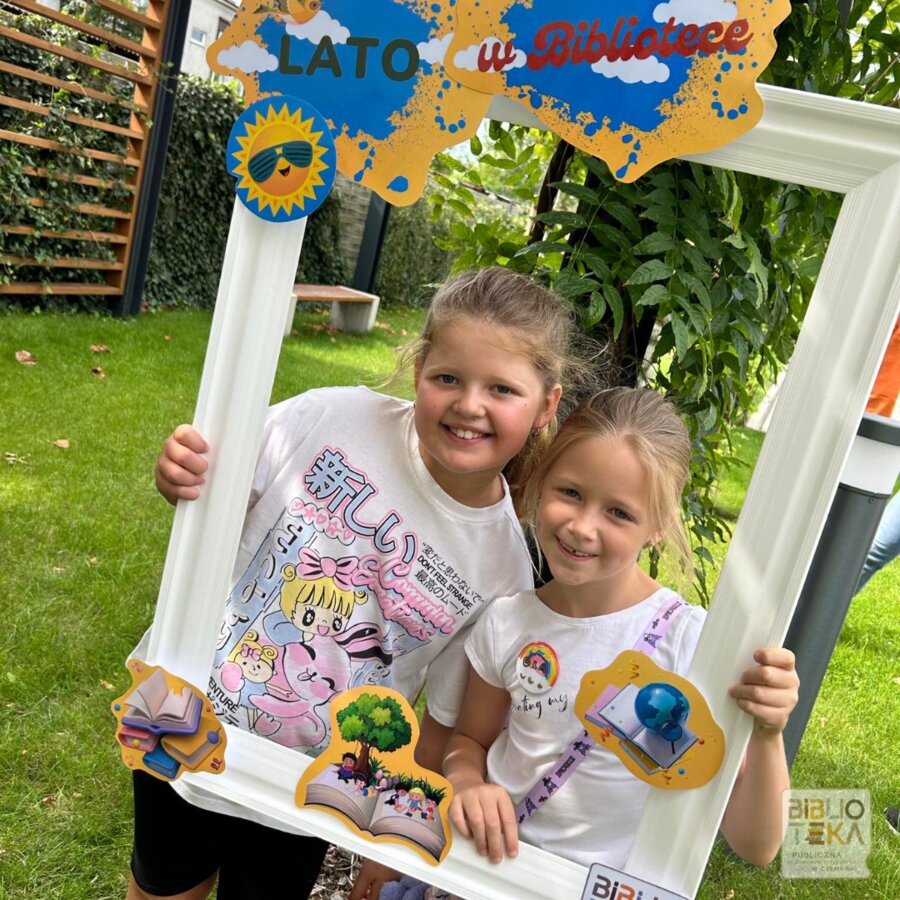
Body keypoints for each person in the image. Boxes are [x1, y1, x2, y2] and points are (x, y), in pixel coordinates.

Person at [127, 267, 591, 900]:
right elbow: (212, 499)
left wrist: (392, 837)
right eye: (447, 378)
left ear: (546, 407)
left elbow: (443, 722)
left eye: (502, 389)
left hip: (315, 790)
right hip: (186, 715)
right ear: (419, 369)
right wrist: (181, 474)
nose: (469, 404)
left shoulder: (503, 568)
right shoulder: (331, 416)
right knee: (163, 888)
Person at [443, 388, 800, 872]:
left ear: (658, 525)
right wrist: (467, 783)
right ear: (542, 482)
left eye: (619, 513)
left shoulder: (692, 643)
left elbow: (756, 845)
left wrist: (768, 734)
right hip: (488, 873)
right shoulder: (506, 622)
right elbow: (470, 740)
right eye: (570, 493)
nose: (582, 527)